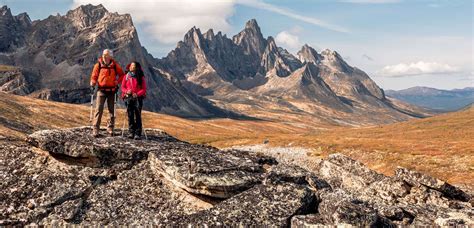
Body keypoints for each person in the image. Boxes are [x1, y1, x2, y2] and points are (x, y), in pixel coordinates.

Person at [90, 49, 125, 137]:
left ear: (110, 56)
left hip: (112, 91)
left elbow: (122, 75)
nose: (104, 56)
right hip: (101, 90)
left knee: (111, 110)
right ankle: (95, 128)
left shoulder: (115, 65)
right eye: (104, 55)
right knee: (98, 109)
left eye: (106, 55)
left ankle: (110, 128)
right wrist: (93, 83)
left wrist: (117, 81)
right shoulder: (98, 65)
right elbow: (94, 76)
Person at [121, 61, 147, 140]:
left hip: (138, 99)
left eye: (133, 66)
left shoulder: (141, 77)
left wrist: (137, 94)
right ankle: (131, 132)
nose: (131, 67)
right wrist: (126, 91)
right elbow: (123, 87)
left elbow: (144, 89)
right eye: (131, 65)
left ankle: (138, 133)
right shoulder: (126, 76)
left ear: (136, 67)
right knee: (130, 115)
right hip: (128, 97)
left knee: (138, 115)